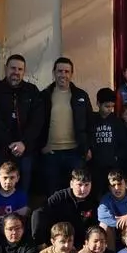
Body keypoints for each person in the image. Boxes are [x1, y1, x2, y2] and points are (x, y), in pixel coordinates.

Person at [0, 53, 43, 194]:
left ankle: (21, 208)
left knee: (23, 188)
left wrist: (23, 143)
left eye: (20, 69)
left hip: (24, 149)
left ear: (24, 71)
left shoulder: (32, 91)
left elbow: (37, 121)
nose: (16, 72)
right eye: (13, 68)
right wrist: (9, 143)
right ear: (6, 68)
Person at [39, 57, 93, 195]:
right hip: (51, 153)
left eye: (66, 71)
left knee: (77, 193)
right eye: (60, 71)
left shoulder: (81, 95)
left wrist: (87, 147)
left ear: (71, 74)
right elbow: (36, 123)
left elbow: (90, 123)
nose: (63, 74)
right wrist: (41, 146)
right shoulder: (44, 96)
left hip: (75, 153)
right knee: (53, 193)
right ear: (54, 73)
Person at [30, 167, 98, 248]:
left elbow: (94, 227)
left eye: (86, 185)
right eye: (79, 185)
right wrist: (40, 242)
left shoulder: (93, 201)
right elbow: (38, 213)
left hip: (81, 244)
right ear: (71, 184)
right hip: (57, 242)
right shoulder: (60, 197)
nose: (83, 189)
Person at [89, 86, 127, 196]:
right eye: (106, 106)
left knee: (111, 191)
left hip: (112, 165)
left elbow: (122, 142)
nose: (109, 109)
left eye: (112, 106)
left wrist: (117, 157)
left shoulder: (117, 122)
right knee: (96, 191)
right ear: (98, 103)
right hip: (95, 165)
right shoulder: (91, 120)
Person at [0, 160, 30, 226]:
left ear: (17, 178)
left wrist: (2, 217)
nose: (8, 181)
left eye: (12, 178)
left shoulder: (21, 195)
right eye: (5, 178)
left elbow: (22, 215)